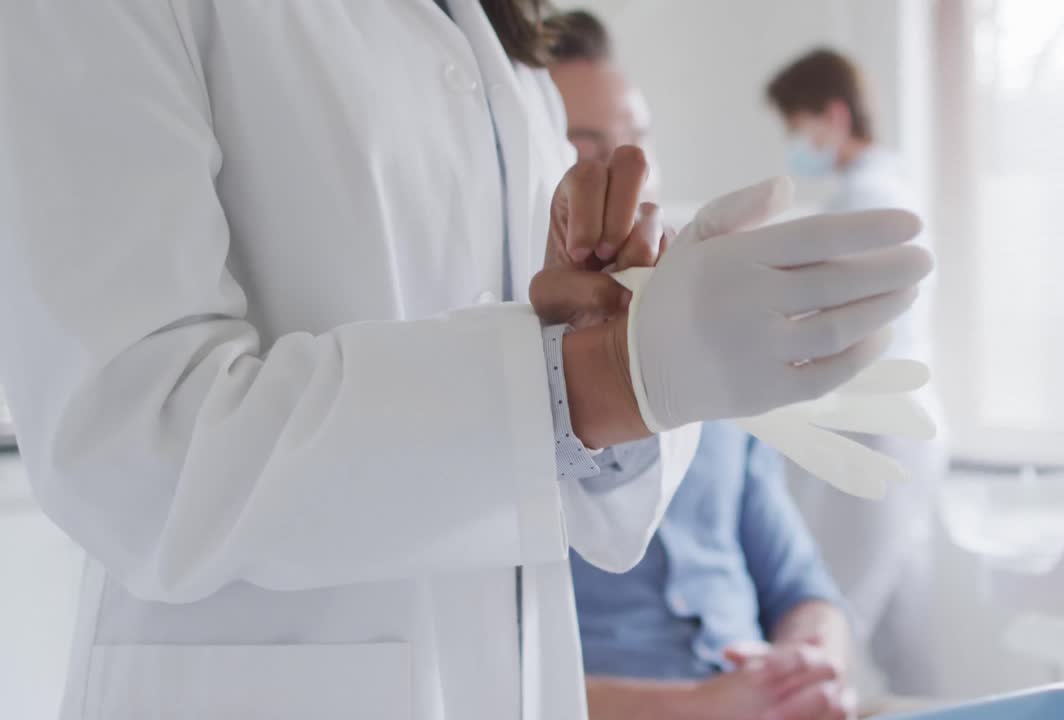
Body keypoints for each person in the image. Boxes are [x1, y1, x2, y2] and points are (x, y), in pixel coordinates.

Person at [0, 2, 931, 717]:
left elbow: (561, 479)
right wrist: (601, 379)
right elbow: (138, 450)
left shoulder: (494, 41)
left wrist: (610, 319)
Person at [548, 13, 857, 719]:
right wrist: (707, 707)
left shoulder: (715, 372)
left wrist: (810, 664)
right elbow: (495, 682)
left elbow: (806, 590)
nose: (626, 173)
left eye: (637, 143)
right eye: (587, 150)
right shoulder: (507, 396)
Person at [767, 48, 950, 696]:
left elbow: (848, 329)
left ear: (833, 115)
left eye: (797, 125)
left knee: (833, 618)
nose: (795, 143)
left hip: (879, 434)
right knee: (903, 635)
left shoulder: (866, 200)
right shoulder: (881, 190)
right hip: (906, 434)